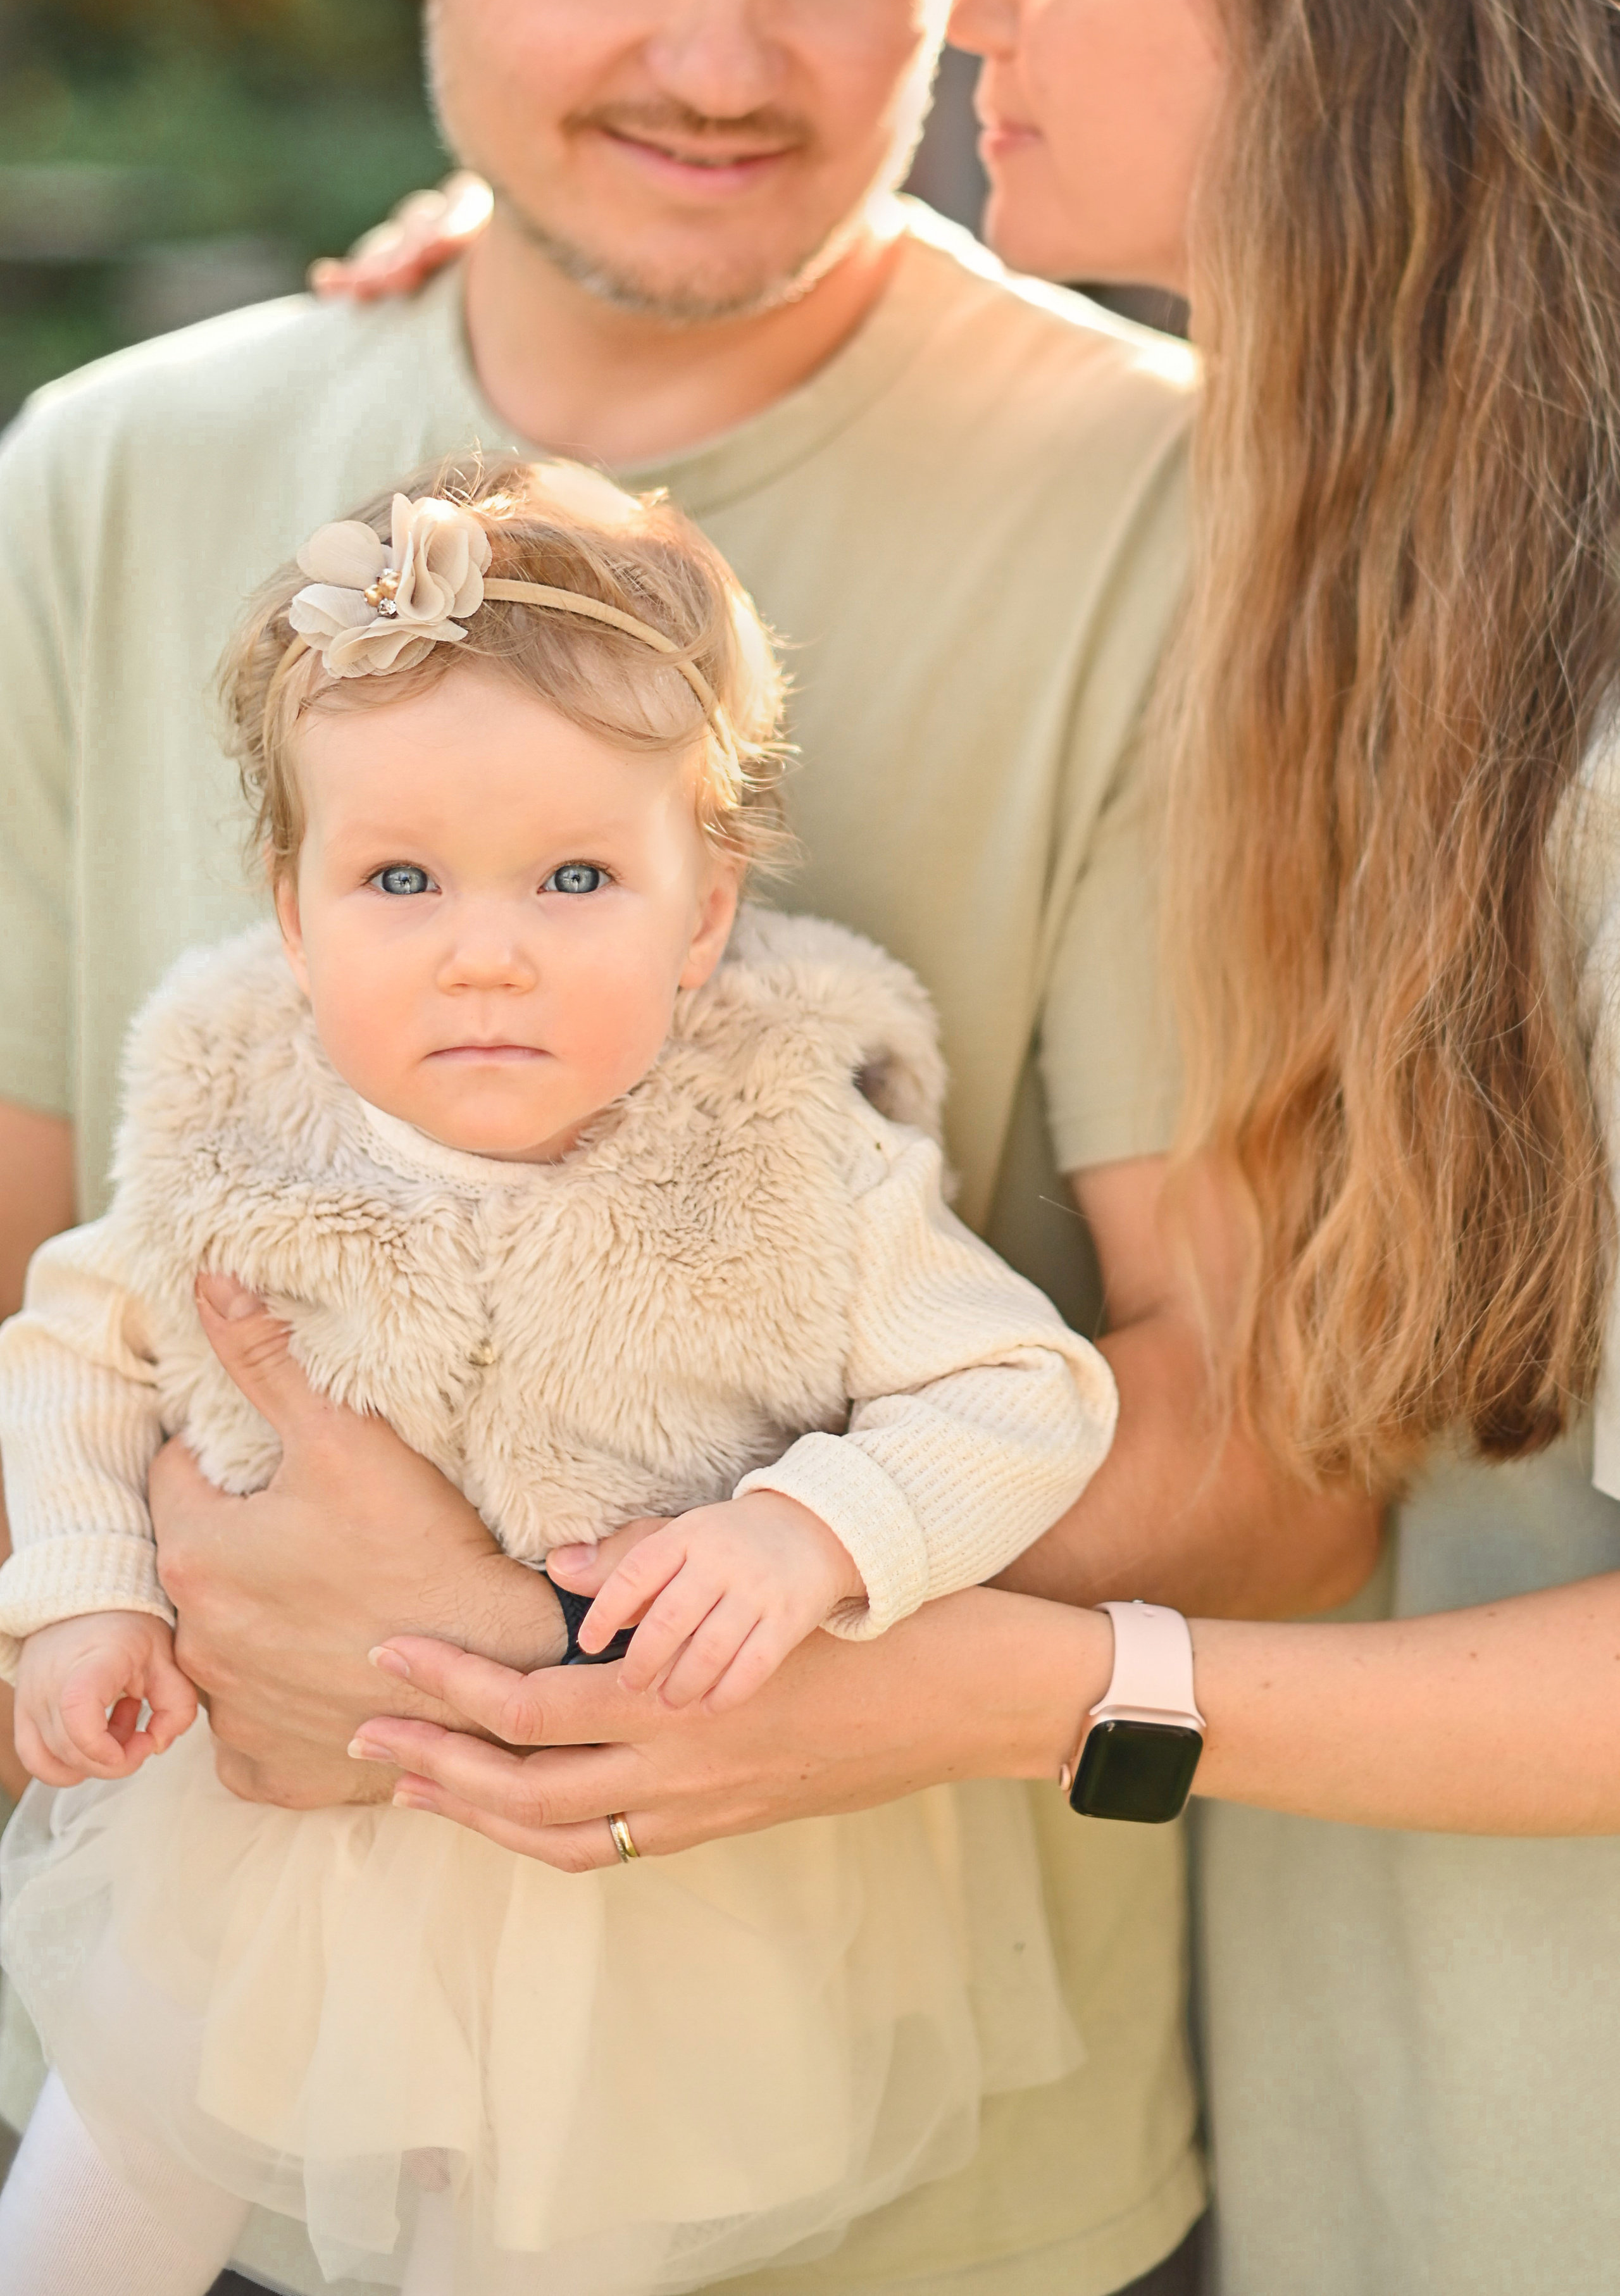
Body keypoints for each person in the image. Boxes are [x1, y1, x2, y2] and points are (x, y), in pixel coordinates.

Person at [1, 0, 1385, 2292]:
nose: (727, 66)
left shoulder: (1201, 513)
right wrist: (159, 1600)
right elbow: (47, 1306)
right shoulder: (96, 478)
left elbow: (1289, 1471)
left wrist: (528, 1632)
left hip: (913, 2192)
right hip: (207, 2113)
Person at [335, 0, 1620, 2292]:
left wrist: (1025, 1684)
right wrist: (541, 253)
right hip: (1359, 2155)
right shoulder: (1357, 556)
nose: (971, 11)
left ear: (1341, 30)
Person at [0, 456, 1119, 2295]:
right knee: (90, 2217)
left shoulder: (789, 1156)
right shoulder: (240, 1112)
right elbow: (77, 1350)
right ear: (293, 909)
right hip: (261, 1843)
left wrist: (806, 1537)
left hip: (632, 1884)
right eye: (400, 880)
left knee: (528, 2255)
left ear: (702, 913)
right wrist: (84, 1598)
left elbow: (1028, 1394)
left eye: (579, 875)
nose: (487, 949)